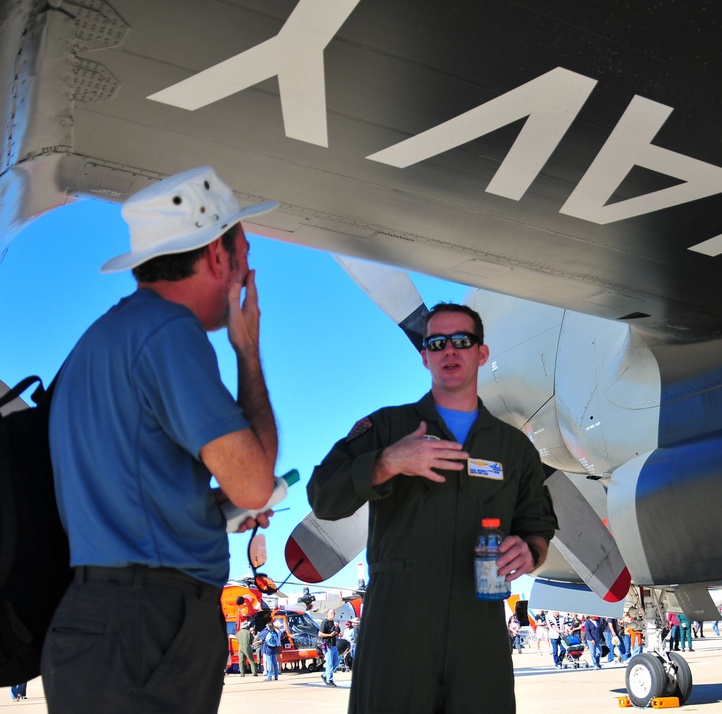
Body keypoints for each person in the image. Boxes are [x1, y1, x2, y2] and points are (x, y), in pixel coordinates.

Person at [40, 167, 279, 713]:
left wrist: (210, 508)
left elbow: (131, 490)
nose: (248, 263)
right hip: (147, 623)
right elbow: (254, 483)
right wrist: (248, 351)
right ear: (218, 256)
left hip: (103, 619)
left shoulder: (101, 341)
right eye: (242, 246)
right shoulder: (170, 334)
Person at [307, 302, 559, 713]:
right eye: (437, 342)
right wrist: (388, 462)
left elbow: (538, 525)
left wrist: (530, 550)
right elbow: (323, 496)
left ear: (482, 353)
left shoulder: (514, 450)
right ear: (424, 356)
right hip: (398, 630)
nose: (449, 350)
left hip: (479, 632)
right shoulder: (388, 428)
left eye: (462, 341)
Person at [318, 609, 341, 685]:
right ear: (327, 614)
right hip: (328, 645)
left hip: (334, 645)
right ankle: (329, 680)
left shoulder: (332, 622)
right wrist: (329, 635)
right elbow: (320, 634)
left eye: (334, 613)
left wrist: (337, 628)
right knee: (329, 664)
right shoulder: (325, 622)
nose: (333, 614)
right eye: (331, 613)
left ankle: (325, 675)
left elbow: (337, 632)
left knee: (336, 663)